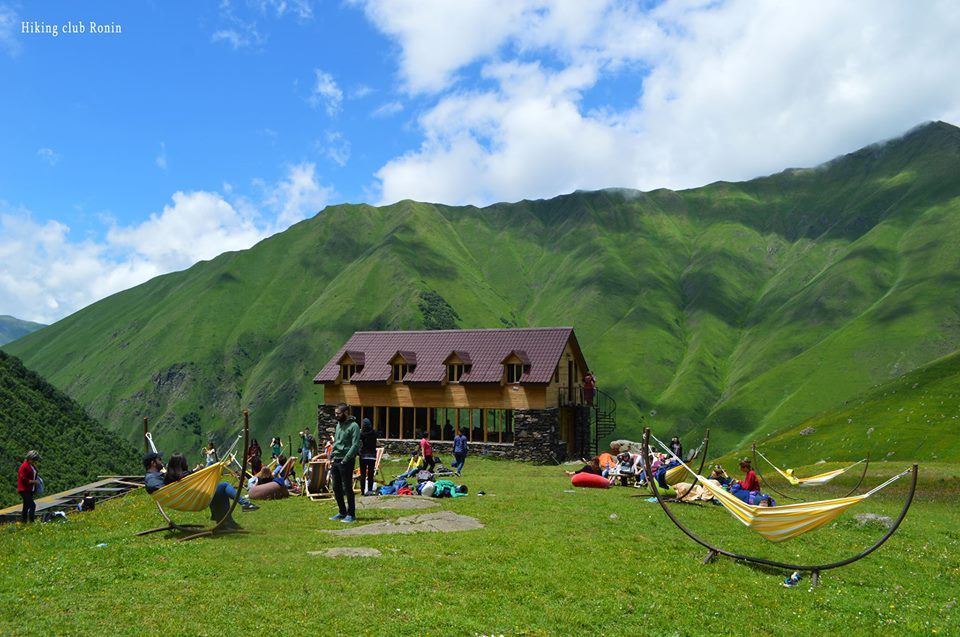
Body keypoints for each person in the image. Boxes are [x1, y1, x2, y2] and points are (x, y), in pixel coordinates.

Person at [143, 451, 257, 531]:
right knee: (223, 486)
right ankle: (243, 504)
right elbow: (163, 489)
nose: (161, 461)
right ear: (153, 463)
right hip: (185, 497)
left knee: (215, 490)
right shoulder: (151, 478)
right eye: (159, 459)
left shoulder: (158, 475)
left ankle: (225, 521)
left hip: (186, 497)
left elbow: (171, 481)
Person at [329, 403, 360, 523]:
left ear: (345, 413)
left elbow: (355, 445)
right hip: (336, 459)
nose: (336, 415)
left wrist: (345, 459)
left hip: (346, 460)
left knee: (347, 487)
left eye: (338, 413)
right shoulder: (338, 425)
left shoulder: (354, 426)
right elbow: (336, 441)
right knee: (336, 487)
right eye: (335, 413)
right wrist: (331, 455)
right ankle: (342, 512)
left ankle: (351, 514)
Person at [17, 450, 40, 523]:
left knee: (26, 506)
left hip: (30, 489)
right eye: (34, 460)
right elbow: (23, 479)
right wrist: (34, 482)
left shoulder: (32, 465)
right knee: (32, 505)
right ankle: (31, 522)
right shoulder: (24, 466)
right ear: (30, 458)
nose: (34, 461)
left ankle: (23, 522)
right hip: (24, 489)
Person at [358, 417, 378, 496]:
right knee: (370, 473)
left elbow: (359, 442)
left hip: (363, 455)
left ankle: (362, 491)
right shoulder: (374, 433)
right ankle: (369, 490)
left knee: (363, 474)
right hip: (372, 455)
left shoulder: (362, 434)